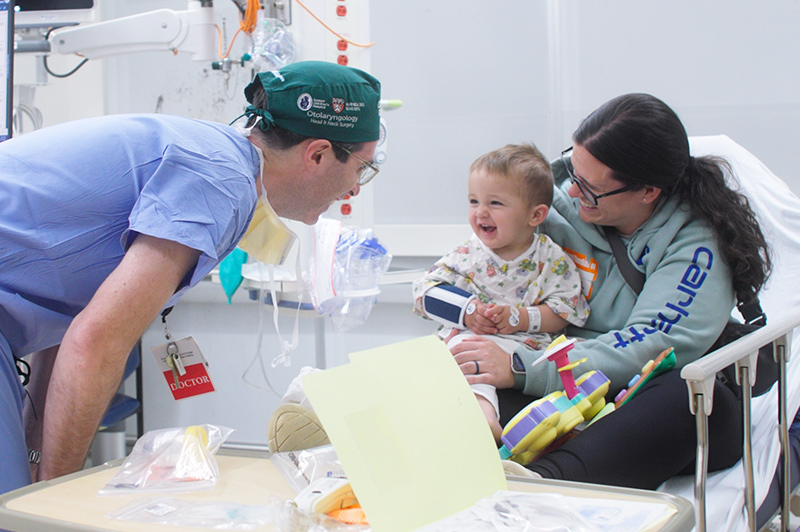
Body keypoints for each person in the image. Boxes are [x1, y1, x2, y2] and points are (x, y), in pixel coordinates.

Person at [0, 60, 382, 495]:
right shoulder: (219, 181)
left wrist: (38, 471)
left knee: (17, 503)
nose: (354, 189)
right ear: (317, 154)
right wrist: (54, 496)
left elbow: (71, 330)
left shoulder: (215, 158)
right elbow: (96, 341)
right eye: (362, 168)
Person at [449, 93, 771, 488]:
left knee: (685, 398)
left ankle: (538, 486)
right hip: (562, 387)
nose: (571, 190)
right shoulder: (551, 203)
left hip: (643, 392)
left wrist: (522, 368)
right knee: (467, 383)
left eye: (589, 187)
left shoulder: (694, 243)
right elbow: (483, 272)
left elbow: (658, 345)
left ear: (647, 192)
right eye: (573, 170)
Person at [412, 143, 589, 440]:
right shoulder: (468, 253)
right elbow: (425, 292)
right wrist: (467, 311)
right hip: (470, 336)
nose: (480, 212)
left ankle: (485, 421)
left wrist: (520, 318)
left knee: (471, 359)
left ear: (535, 215)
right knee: (441, 358)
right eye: (473, 201)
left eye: (495, 203)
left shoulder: (551, 258)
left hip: (523, 348)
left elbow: (564, 310)